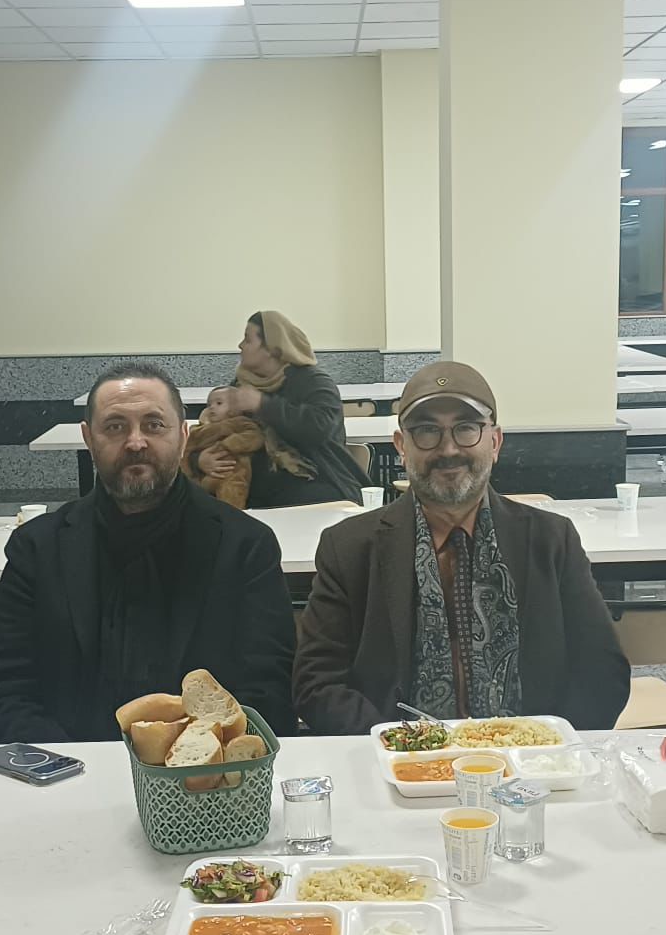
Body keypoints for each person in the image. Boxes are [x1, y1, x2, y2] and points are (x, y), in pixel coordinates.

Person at [295, 360, 631, 734]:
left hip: (531, 760)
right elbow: (317, 683)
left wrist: (546, 746)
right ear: (401, 446)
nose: (449, 449)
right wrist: (399, 746)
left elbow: (602, 672)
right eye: (427, 431)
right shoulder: (350, 548)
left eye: (467, 428)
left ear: (495, 441)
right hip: (396, 759)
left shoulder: (551, 541)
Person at [0, 361, 297, 742]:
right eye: (115, 427)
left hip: (205, 769)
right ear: (88, 438)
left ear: (184, 436)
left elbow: (267, 694)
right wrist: (67, 766)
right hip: (66, 766)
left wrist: (185, 764)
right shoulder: (37, 550)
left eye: (154, 425)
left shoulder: (245, 547)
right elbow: (4, 690)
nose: (136, 442)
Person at [193, 310, 368, 506]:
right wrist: (199, 459)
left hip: (314, 482)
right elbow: (213, 430)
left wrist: (263, 405)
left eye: (248, 340)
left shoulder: (314, 382)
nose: (240, 345)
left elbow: (320, 428)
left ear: (271, 349)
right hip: (251, 490)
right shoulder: (241, 385)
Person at [182, 384, 312, 509]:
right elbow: (187, 447)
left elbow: (253, 437)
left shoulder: (241, 423)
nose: (212, 408)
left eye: (219, 403)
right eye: (208, 405)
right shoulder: (200, 429)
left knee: (232, 490)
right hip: (203, 478)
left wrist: (228, 445)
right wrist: (198, 460)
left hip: (234, 472)